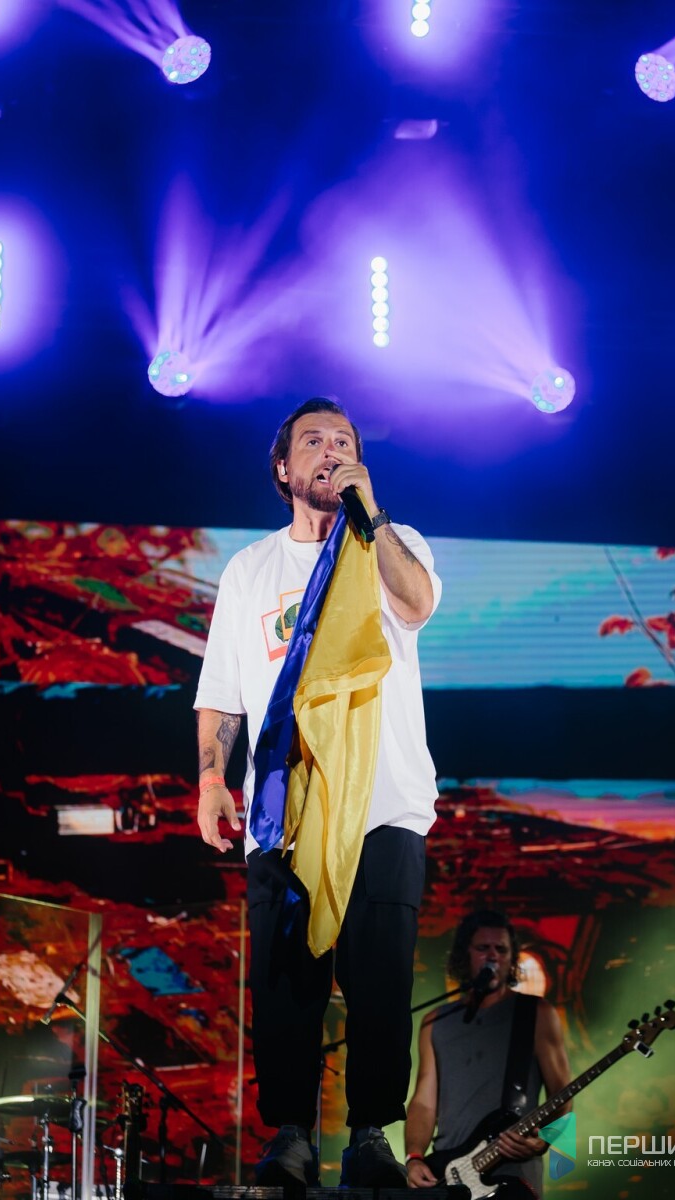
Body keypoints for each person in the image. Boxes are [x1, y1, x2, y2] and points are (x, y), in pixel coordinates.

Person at [194, 397, 441, 1188]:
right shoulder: (249, 570)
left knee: (379, 980)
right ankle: (292, 1135)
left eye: (344, 441)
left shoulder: (393, 542)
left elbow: (416, 604)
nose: (331, 450)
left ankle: (370, 1133)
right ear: (283, 468)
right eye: (313, 441)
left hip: (384, 803)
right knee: (286, 986)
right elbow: (222, 693)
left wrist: (371, 516)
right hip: (284, 810)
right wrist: (211, 778)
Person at [404, 911, 572, 1198]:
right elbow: (423, 1103)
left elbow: (564, 1096)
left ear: (512, 958)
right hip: (447, 1172)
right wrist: (414, 1157)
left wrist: (543, 1141)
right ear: (464, 955)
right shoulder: (435, 1022)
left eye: (501, 949)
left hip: (512, 1174)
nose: (493, 956)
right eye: (483, 948)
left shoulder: (537, 1013)